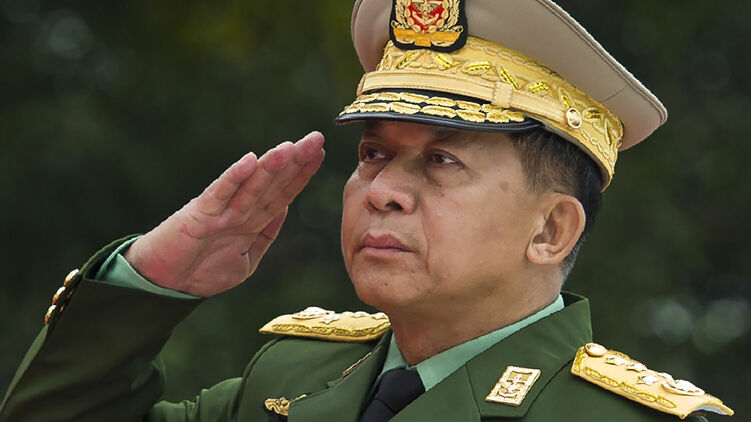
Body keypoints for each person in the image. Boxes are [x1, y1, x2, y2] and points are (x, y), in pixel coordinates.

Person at [0, 0, 735, 421]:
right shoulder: (288, 376)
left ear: (550, 229)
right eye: (375, 154)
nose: (383, 189)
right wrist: (151, 283)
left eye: (442, 162)